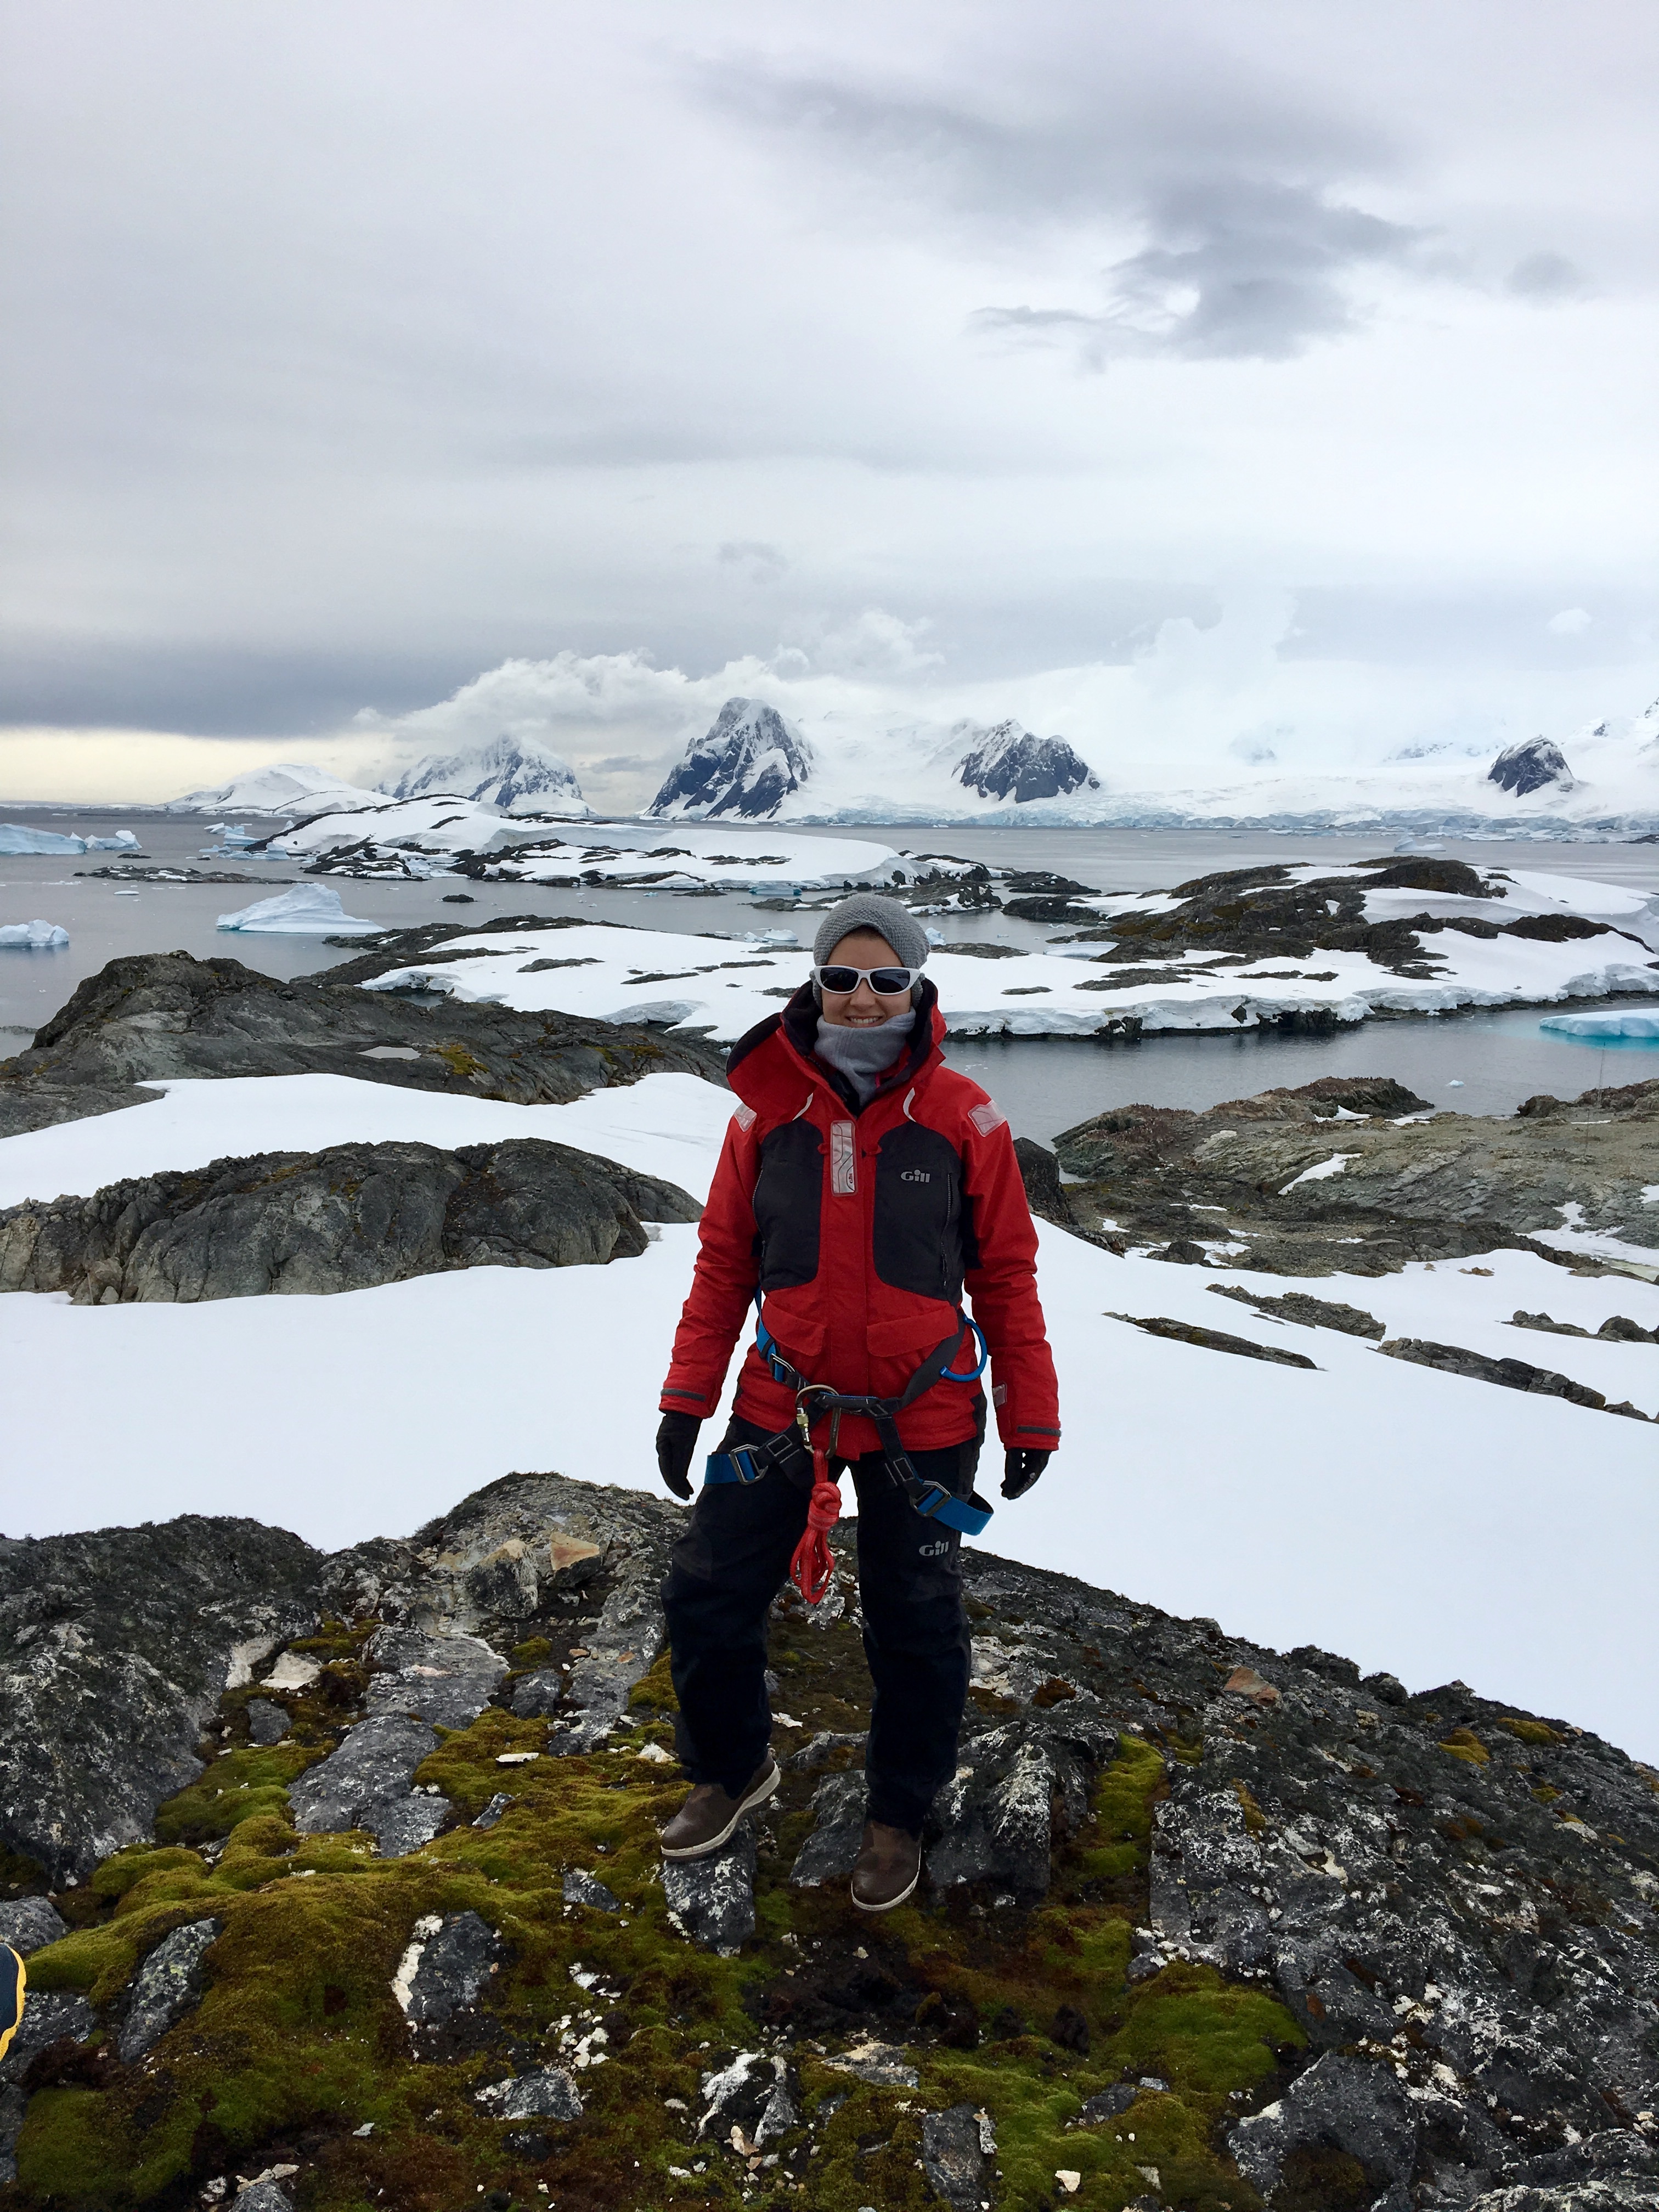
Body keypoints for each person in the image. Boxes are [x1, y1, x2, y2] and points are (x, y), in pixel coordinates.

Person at [653, 891, 1060, 1912]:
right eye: (842, 977)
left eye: (886, 979)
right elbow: (723, 1265)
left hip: (926, 1415)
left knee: (914, 1620)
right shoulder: (766, 1115)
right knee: (706, 1592)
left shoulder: (964, 1116)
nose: (863, 997)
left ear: (917, 987)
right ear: (816, 983)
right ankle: (733, 1768)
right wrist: (687, 1397)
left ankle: (897, 1813)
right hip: (784, 1403)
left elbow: (1006, 1275)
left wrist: (1031, 1414)